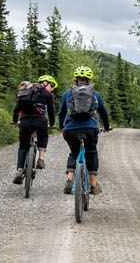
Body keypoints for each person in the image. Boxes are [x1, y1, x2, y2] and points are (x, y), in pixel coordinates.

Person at [57, 65, 111, 195]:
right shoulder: (95, 94)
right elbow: (103, 112)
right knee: (91, 152)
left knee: (74, 153)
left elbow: (61, 113)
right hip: (90, 128)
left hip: (70, 129)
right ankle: (93, 184)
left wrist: (61, 126)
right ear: (89, 80)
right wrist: (107, 127)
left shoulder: (67, 93)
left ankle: (69, 180)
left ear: (75, 79)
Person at [12, 76, 57, 184]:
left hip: (25, 121)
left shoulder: (26, 90)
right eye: (52, 86)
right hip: (40, 121)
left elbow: (17, 109)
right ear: (47, 84)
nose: (52, 89)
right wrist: (52, 123)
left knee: (23, 146)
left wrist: (14, 121)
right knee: (43, 136)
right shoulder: (47, 94)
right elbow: (51, 111)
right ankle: (41, 159)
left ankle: (19, 170)